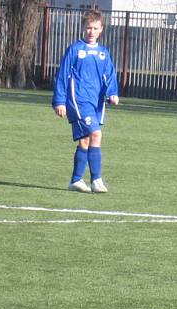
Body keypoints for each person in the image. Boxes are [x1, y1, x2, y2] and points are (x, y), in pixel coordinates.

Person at [52, 9, 119, 194]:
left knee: (86, 140)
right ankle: (96, 180)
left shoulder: (103, 53)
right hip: (78, 100)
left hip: (96, 102)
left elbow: (110, 76)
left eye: (95, 28)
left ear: (101, 30)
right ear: (84, 28)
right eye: (88, 28)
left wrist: (113, 93)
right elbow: (63, 75)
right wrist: (59, 101)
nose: (91, 32)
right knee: (96, 135)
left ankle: (76, 180)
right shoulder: (75, 49)